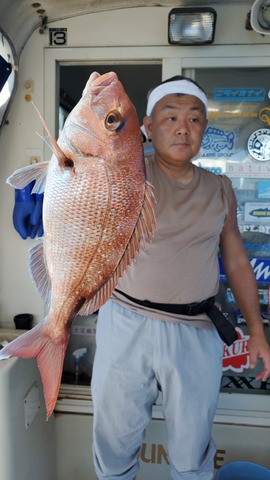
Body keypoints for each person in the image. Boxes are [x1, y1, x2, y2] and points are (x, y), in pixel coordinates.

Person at [91, 75, 270, 480]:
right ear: (148, 128)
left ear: (205, 128)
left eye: (194, 118)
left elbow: (237, 261)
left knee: (192, 453)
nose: (183, 127)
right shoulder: (127, 175)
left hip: (195, 330)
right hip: (126, 323)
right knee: (113, 446)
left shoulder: (220, 188)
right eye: (170, 117)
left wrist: (256, 331)